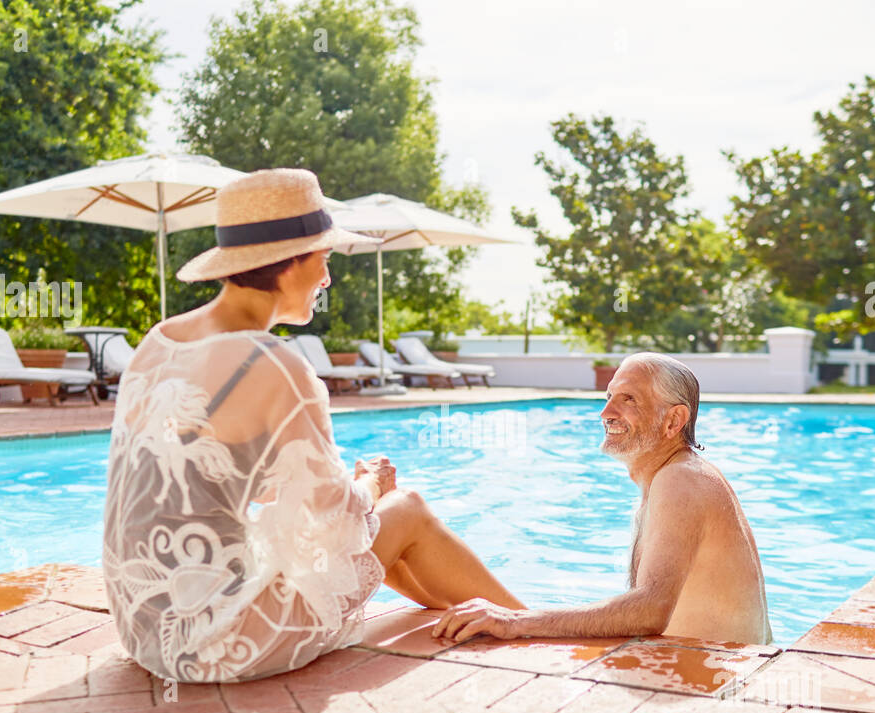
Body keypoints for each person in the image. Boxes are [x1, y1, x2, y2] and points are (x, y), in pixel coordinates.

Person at [102, 168, 523, 682]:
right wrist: (369, 483)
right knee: (406, 509)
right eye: (323, 259)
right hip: (217, 642)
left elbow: (208, 480)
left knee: (384, 528)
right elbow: (336, 524)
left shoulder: (160, 341)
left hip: (142, 625)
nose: (327, 278)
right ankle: (528, 625)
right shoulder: (274, 363)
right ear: (289, 263)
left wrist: (348, 492)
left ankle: (474, 615)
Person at [432, 353, 773, 645]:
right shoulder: (678, 476)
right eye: (610, 396)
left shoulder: (682, 480)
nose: (606, 412)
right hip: (708, 671)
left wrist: (517, 623)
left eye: (629, 400)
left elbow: (649, 611)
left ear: (673, 421)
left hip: (708, 685)